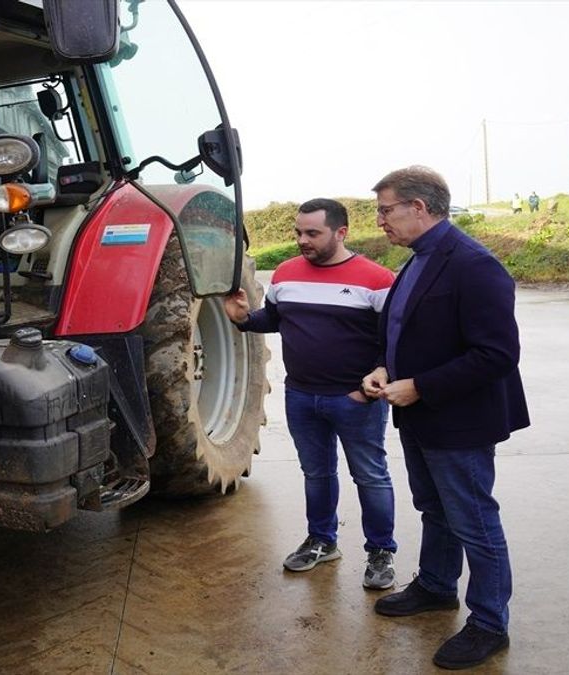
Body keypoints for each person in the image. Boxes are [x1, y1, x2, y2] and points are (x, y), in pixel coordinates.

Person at [361, 166, 529, 670]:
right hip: (419, 414)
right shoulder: (418, 260)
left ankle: (488, 623)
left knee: (474, 520)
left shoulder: (474, 264)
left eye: (386, 210)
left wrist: (422, 386)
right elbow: (410, 330)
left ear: (420, 207)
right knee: (434, 508)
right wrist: (385, 366)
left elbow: (498, 353)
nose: (381, 221)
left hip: (458, 420)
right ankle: (436, 585)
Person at [223, 198, 399, 590]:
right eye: (299, 232)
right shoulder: (286, 273)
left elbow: (394, 341)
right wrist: (243, 319)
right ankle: (322, 540)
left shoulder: (376, 279)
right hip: (302, 397)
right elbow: (274, 319)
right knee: (316, 473)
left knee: (370, 475)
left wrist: (372, 382)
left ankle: (380, 552)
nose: (303, 240)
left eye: (312, 233)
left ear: (341, 232)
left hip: (355, 399)